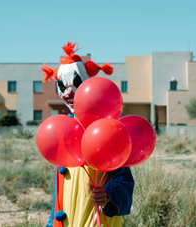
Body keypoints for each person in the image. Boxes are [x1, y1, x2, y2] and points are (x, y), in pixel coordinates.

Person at [41, 42, 134, 227]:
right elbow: (59, 191)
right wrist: (52, 221)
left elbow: (124, 180)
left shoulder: (105, 128)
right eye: (62, 86)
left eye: (74, 84)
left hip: (98, 220)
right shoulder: (64, 128)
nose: (68, 92)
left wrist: (109, 195)